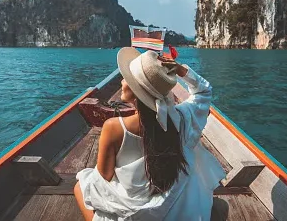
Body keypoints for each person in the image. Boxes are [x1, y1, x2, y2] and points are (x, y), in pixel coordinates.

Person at [74, 47, 225, 220]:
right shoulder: (181, 118)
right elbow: (204, 91)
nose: (122, 81)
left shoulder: (114, 127)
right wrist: (181, 70)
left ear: (137, 91)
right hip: (167, 201)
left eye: (127, 78)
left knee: (80, 185)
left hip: (134, 208)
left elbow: (104, 176)